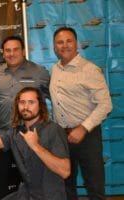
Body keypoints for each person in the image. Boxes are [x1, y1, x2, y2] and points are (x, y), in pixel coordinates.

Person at [50, 27, 113, 200]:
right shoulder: (55, 69)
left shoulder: (89, 69)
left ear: (76, 44)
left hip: (87, 136)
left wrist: (83, 128)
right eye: (60, 42)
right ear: (54, 47)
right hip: (62, 137)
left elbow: (106, 104)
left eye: (69, 41)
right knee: (66, 185)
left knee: (95, 186)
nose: (64, 46)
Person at [0, 35, 50, 199]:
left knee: (33, 182)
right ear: (3, 54)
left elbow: (55, 99)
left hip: (30, 136)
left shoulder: (39, 72)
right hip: (2, 136)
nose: (11, 54)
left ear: (23, 51)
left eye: (15, 49)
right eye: (7, 51)